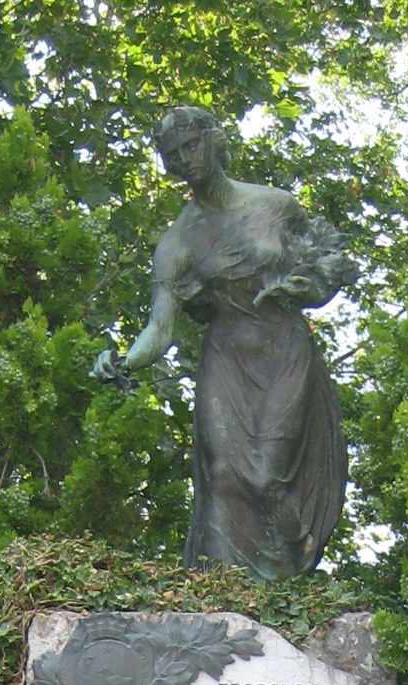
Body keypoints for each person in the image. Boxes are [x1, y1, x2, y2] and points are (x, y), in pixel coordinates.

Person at [93, 107, 356, 577]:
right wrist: (124, 361)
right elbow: (160, 329)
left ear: (213, 141)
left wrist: (307, 286)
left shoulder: (277, 206)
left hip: (284, 351)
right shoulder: (177, 243)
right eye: (174, 155)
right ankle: (221, 590)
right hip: (225, 358)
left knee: (268, 475)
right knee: (223, 475)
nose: (185, 159)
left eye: (191, 146)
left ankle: (283, 581)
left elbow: (326, 264)